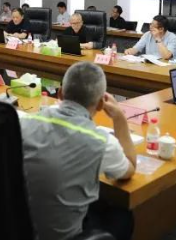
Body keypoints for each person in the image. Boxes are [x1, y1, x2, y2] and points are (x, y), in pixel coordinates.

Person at [19, 62, 136, 240]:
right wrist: (119, 118)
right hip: (62, 236)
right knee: (123, 216)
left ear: (60, 94)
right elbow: (130, 168)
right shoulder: (101, 142)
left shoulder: (24, 122)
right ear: (100, 104)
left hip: (17, 227)